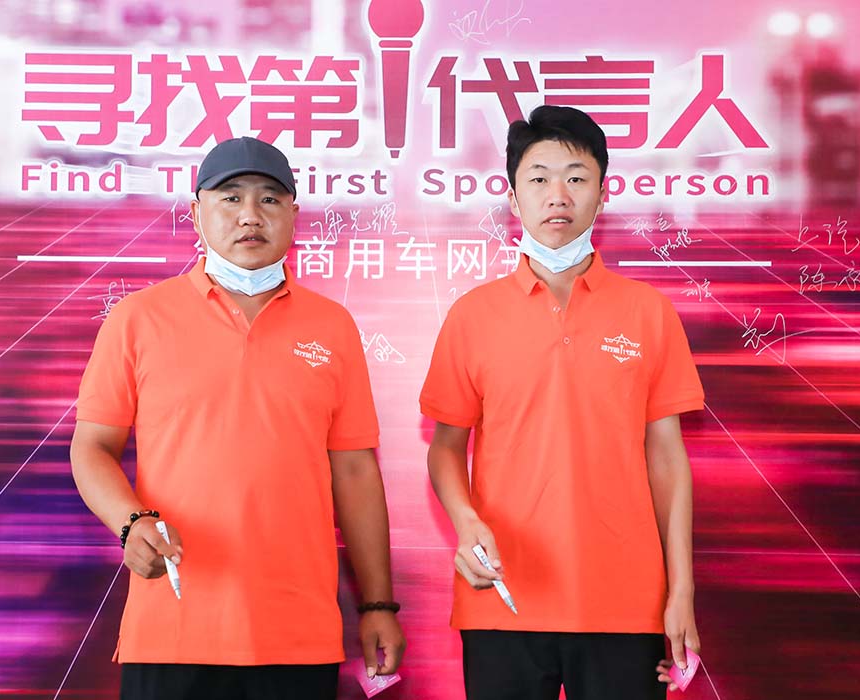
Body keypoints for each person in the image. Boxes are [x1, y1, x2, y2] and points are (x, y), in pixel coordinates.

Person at [71, 136, 405, 700]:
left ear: (293, 214)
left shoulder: (332, 326)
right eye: (230, 198)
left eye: (269, 199)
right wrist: (131, 523)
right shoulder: (138, 319)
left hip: (297, 635)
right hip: (173, 628)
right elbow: (92, 447)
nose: (250, 215)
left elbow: (354, 472)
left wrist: (377, 604)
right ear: (196, 211)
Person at [421, 105, 705, 700]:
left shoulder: (648, 313)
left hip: (625, 603)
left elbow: (667, 461)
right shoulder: (473, 315)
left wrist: (680, 591)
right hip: (502, 598)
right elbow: (445, 448)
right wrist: (467, 522)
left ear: (603, 193)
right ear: (513, 196)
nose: (558, 195)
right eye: (539, 178)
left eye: (576, 178)